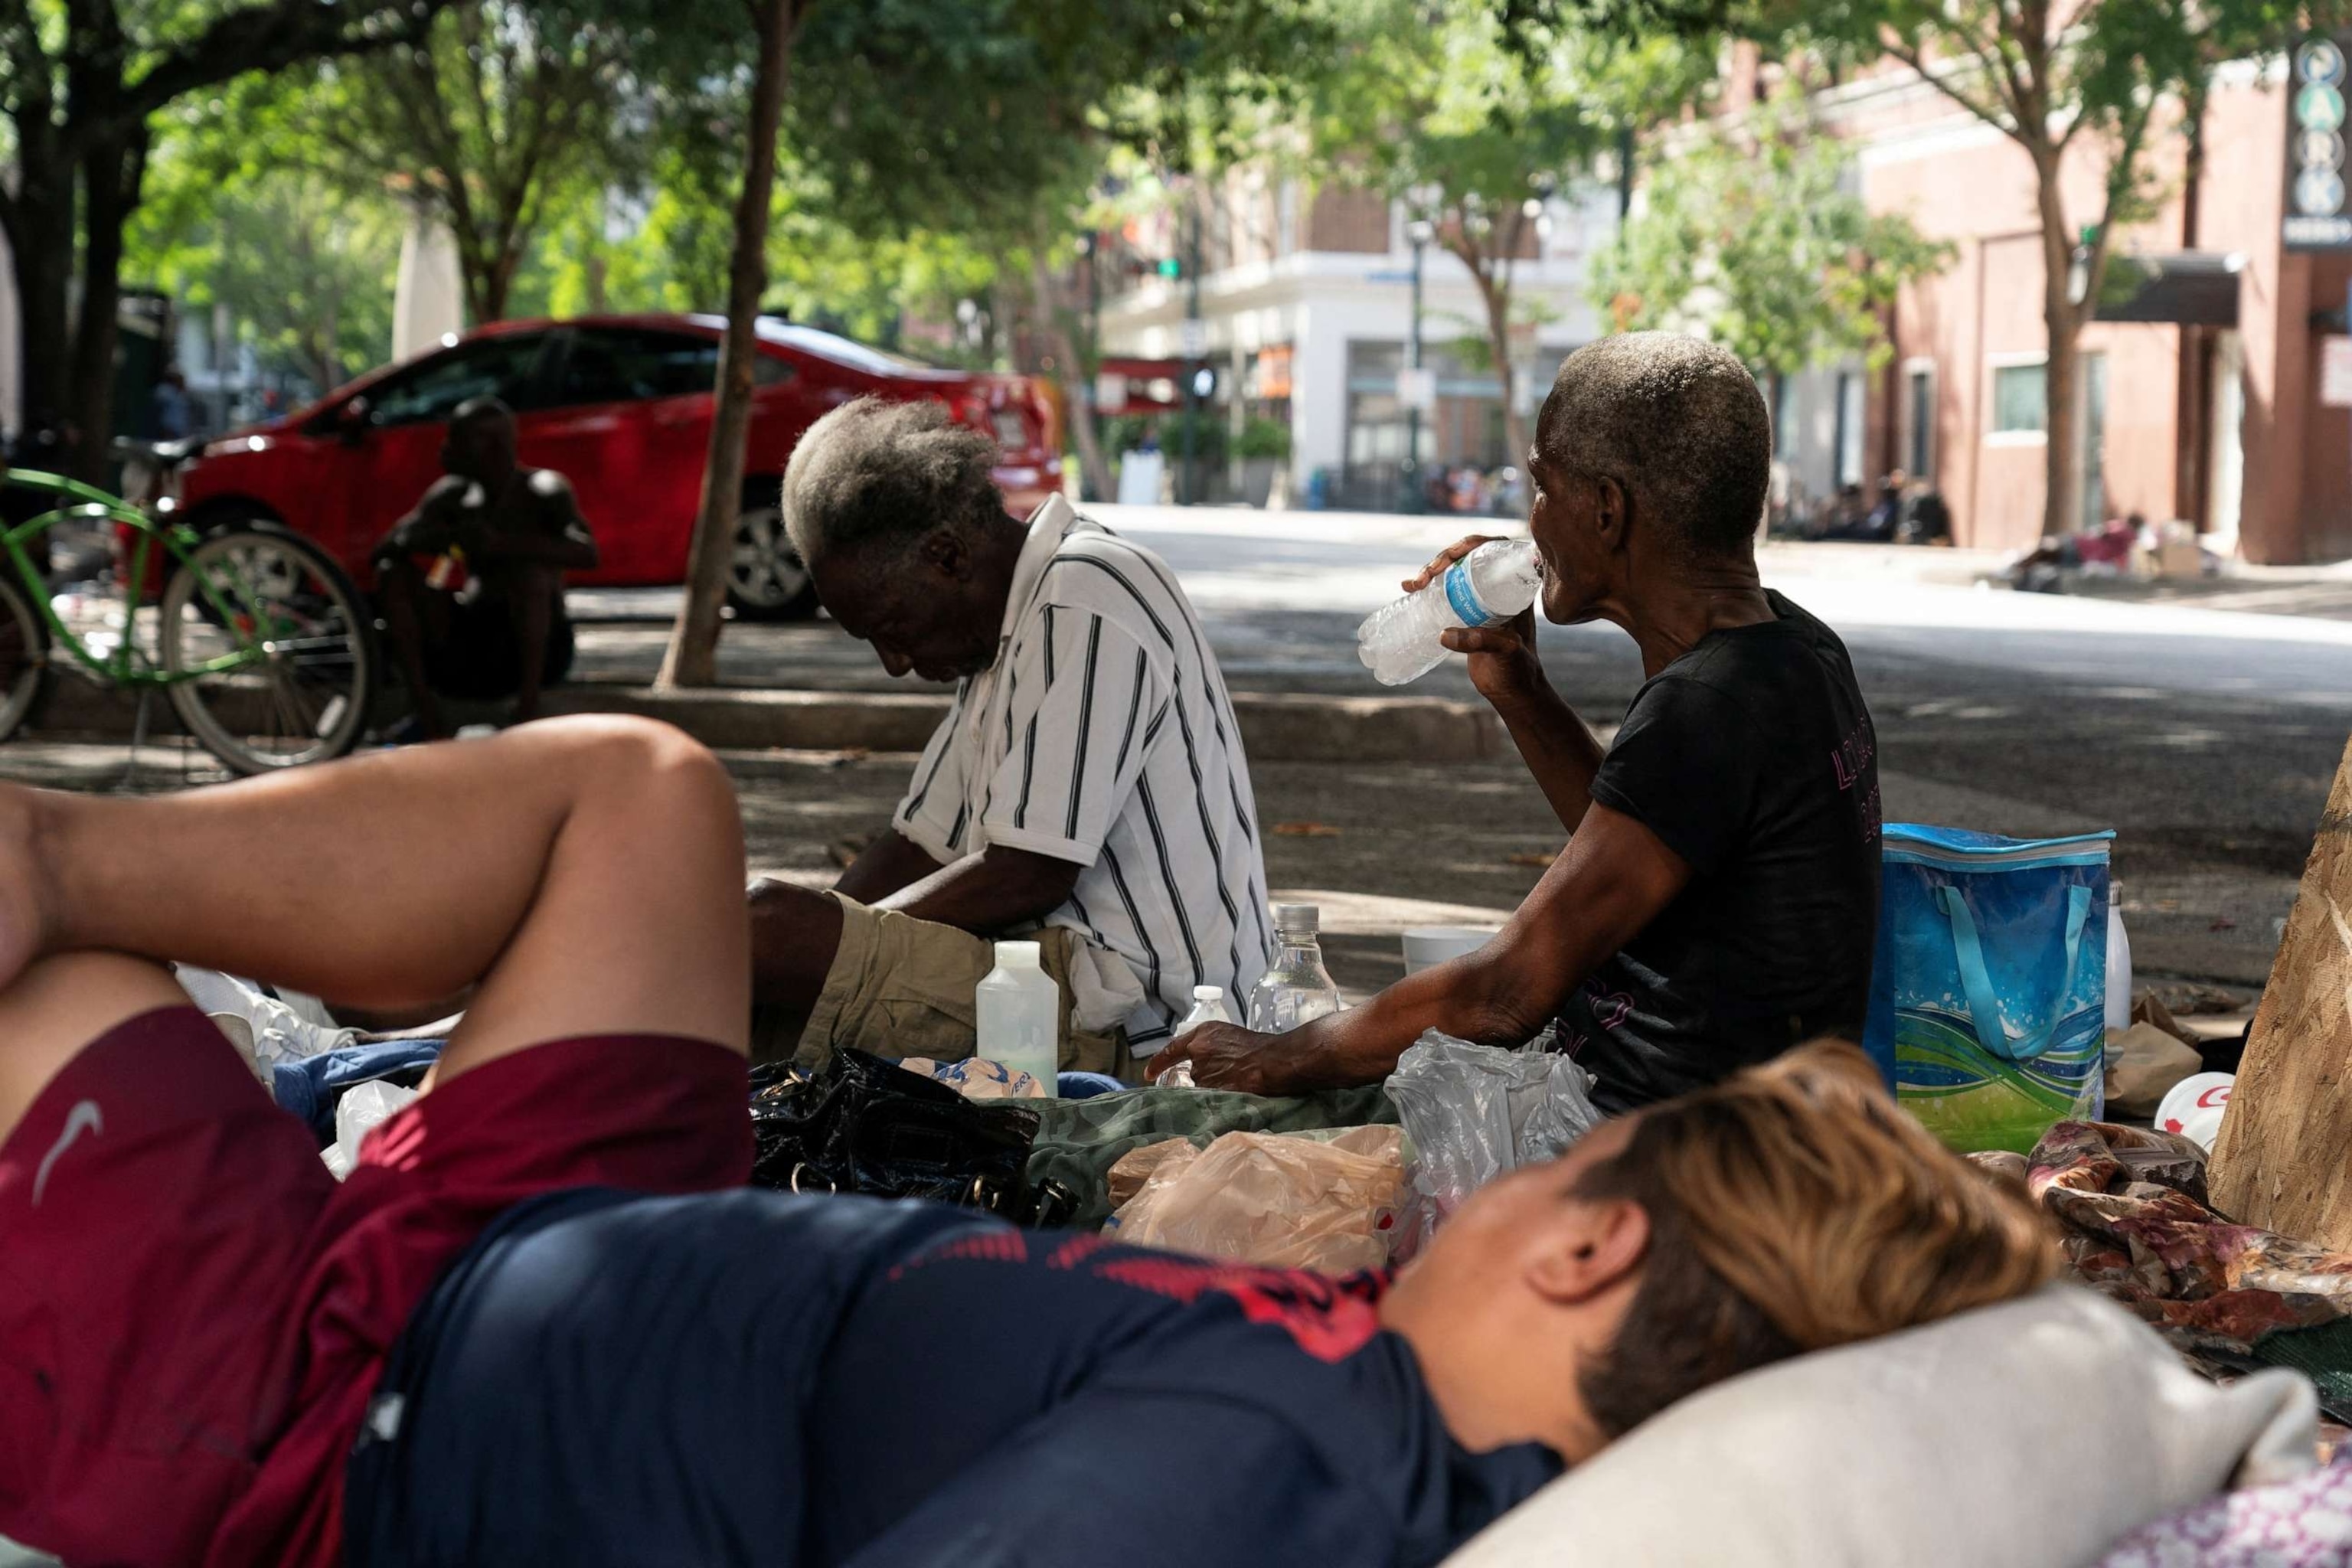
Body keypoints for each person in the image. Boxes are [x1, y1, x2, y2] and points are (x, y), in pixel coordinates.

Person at [0, 723, 2054, 1566]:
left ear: (1588, 1259)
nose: (1499, 1185)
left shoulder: (1270, 1464)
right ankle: (57, 842)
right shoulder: (1375, 1411)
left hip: (333, 1408)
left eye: (1554, 1174)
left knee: (53, 1000)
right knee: (644, 798)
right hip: (573, 1250)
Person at [1153, 333, 1882, 1111]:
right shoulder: (1796, 647)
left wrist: (1274, 1058)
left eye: (1543, 484)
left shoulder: (1708, 705)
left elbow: (1503, 994)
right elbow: (1647, 842)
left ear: (1606, 508)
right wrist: (1521, 688)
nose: (1532, 520)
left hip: (1661, 1157)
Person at [747, 397, 1268, 1080]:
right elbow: (916, 844)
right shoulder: (998, 637)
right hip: (1052, 982)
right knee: (763, 942)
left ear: (946, 556)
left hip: (1149, 1027)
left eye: (891, 627)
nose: (895, 663)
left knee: (768, 934)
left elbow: (1032, 869)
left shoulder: (1084, 594)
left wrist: (830, 945)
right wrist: (824, 934)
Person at [372, 397, 597, 740]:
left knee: (530, 575)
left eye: (459, 439)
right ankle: (425, 710)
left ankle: (528, 705)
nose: (447, 449)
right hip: (468, 643)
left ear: (493, 446)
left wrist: (505, 545)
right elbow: (388, 545)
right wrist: (445, 538)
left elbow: (586, 552)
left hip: (532, 649)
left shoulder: (542, 489)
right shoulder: (453, 494)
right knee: (394, 575)